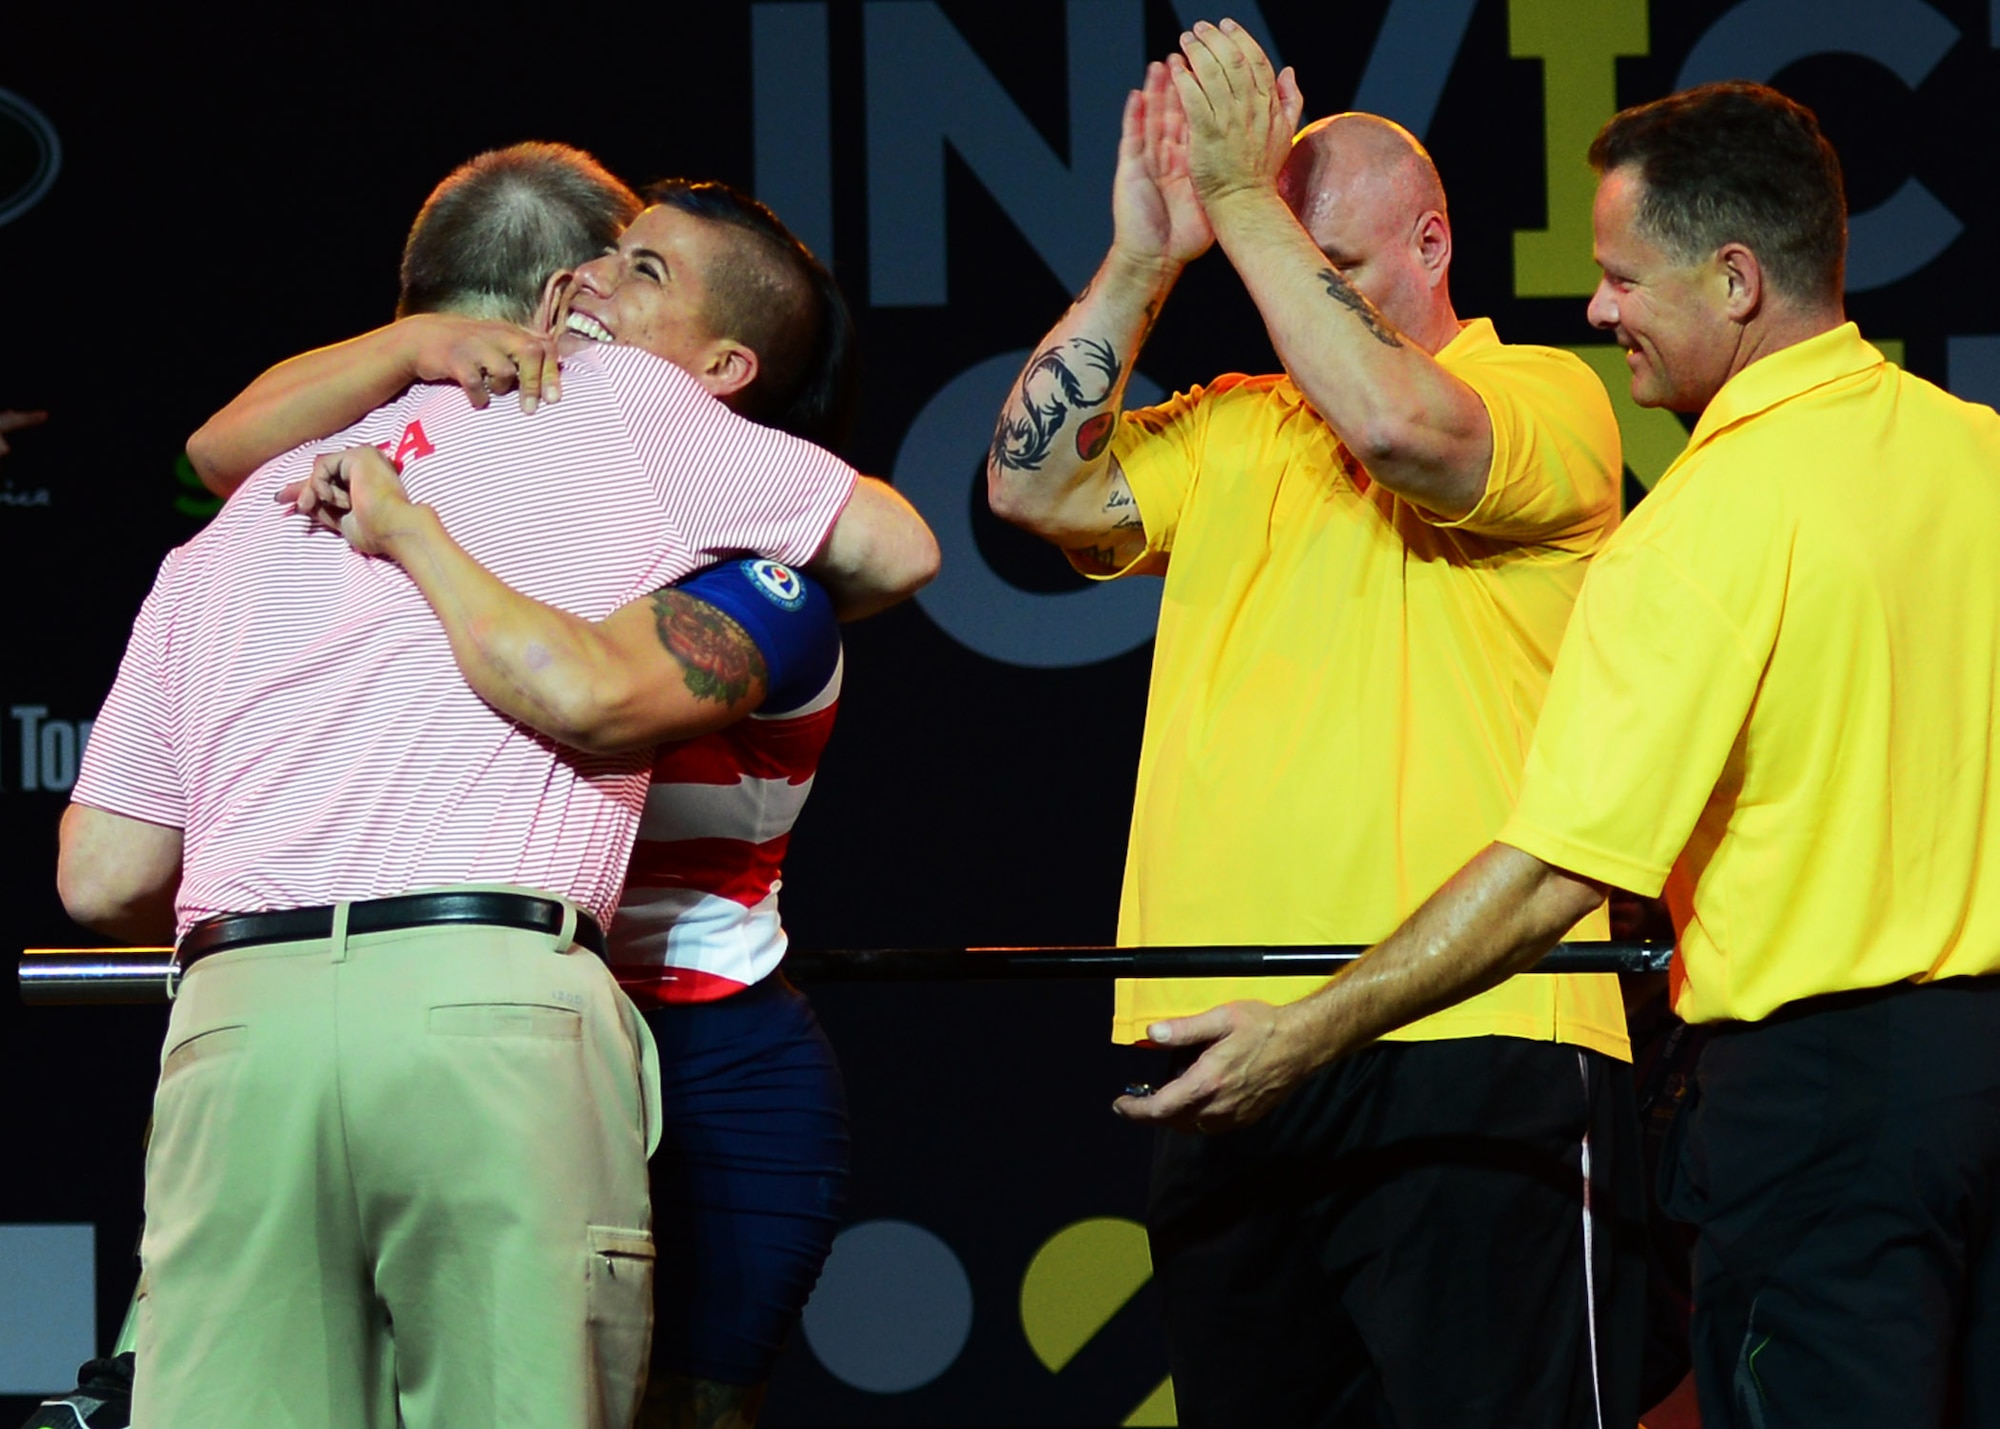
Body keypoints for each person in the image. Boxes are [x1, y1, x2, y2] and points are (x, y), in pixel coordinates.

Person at [1137, 79, 2000, 1429]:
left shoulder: (1702, 524)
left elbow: (1558, 873)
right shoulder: (1986, 456)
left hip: (1818, 1106)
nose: (1599, 311)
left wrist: (1304, 1032)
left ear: (1732, 280)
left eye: (1617, 277)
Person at [56, 150, 933, 1429]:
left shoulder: (252, 512)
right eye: (603, 252)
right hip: (497, 1018)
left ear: (727, 370)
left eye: (643, 266)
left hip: (278, 1020)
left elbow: (104, 873)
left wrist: (418, 527)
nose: (594, 281)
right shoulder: (544, 427)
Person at [988, 23, 1638, 1428]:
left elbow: (1406, 431)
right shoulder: (1239, 425)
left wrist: (1237, 203)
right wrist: (1149, 257)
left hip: (1475, 1037)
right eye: (1280, 262)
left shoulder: (1547, 397)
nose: (1292, 295)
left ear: (1434, 239)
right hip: (1227, 1053)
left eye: (1332, 266)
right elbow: (1031, 489)